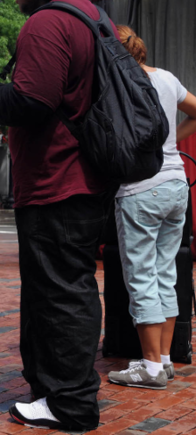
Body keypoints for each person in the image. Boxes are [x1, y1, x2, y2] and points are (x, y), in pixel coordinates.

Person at [0, 0, 118, 431]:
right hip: (83, 178)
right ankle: (52, 389)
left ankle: (70, 404)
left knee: (61, 293)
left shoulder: (49, 22)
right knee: (65, 289)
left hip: (58, 182)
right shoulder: (95, 19)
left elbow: (32, 102)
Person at [107, 26, 196, 389]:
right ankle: (162, 360)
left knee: (142, 276)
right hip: (176, 185)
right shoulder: (167, 78)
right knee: (166, 274)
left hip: (140, 188)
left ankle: (150, 367)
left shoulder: (115, 84)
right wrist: (171, 140)